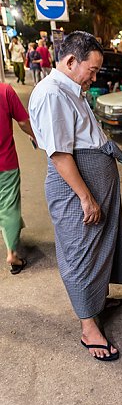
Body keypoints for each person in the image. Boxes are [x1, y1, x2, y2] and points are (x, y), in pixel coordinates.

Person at [29, 31, 122, 361]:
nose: (95, 76)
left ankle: (96, 301)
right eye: (93, 69)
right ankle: (89, 329)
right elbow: (59, 154)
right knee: (80, 254)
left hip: (94, 182)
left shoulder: (70, 90)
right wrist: (85, 197)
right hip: (76, 190)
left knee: (100, 246)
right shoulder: (51, 94)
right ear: (71, 61)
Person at [0, 83, 37, 273]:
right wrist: (35, 135)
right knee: (9, 204)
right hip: (5, 163)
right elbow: (23, 122)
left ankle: (11, 229)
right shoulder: (4, 91)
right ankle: (12, 254)